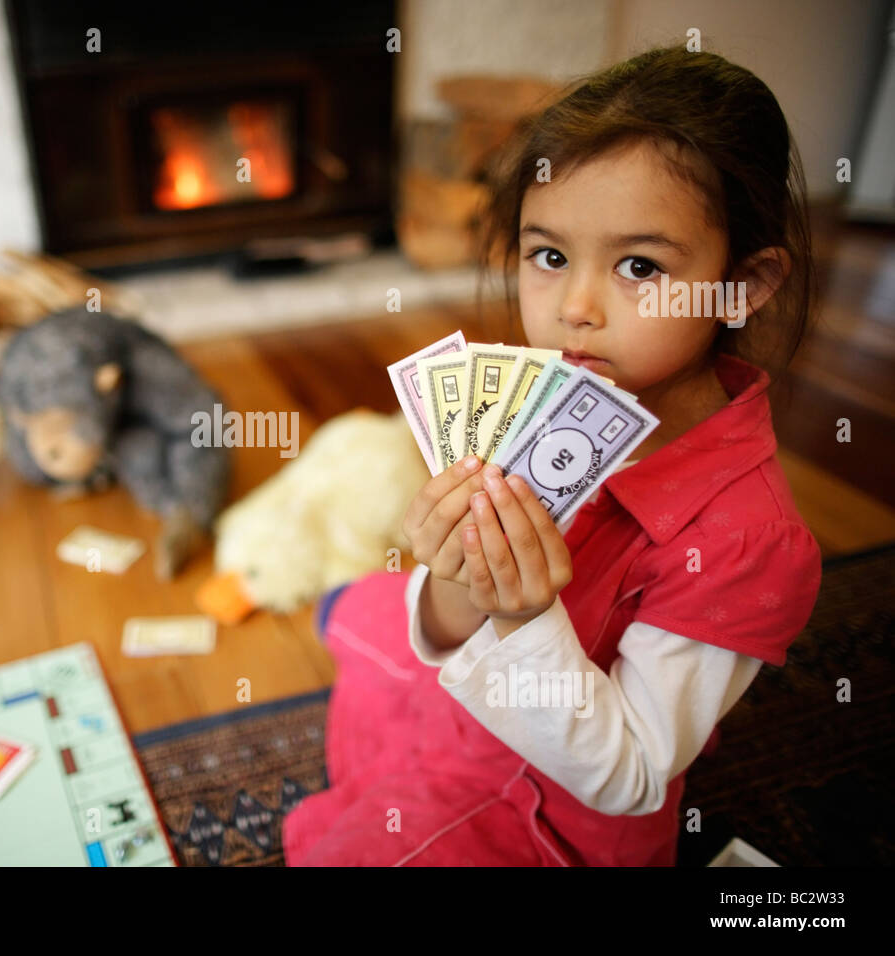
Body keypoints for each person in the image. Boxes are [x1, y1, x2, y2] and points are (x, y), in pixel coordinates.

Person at [283, 45, 822, 866]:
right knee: (382, 608)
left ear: (742, 285)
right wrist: (463, 581)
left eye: (640, 266)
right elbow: (455, 620)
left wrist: (523, 616)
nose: (575, 307)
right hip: (482, 681)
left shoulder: (751, 543)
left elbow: (633, 773)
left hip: (549, 802)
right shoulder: (541, 410)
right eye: (550, 256)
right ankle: (353, 621)